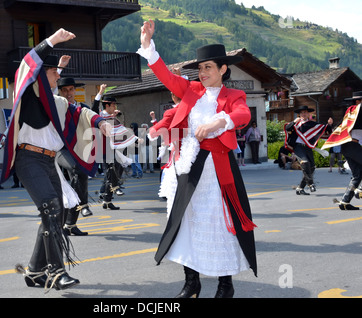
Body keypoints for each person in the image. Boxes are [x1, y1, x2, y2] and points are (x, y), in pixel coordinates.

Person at [139, 19, 257, 298]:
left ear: (223, 69)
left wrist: (219, 122)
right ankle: (191, 282)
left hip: (217, 172)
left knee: (218, 224)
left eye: (208, 68)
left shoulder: (234, 95)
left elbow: (243, 115)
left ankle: (225, 285)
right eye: (200, 68)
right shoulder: (191, 91)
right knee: (185, 222)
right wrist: (148, 46)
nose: (202, 73)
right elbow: (167, 77)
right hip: (188, 168)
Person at [0, 28, 110, 292]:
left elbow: (81, 113)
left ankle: (35, 271)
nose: (58, 76)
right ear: (40, 75)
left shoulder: (57, 102)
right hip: (28, 159)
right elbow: (28, 64)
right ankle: (56, 272)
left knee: (56, 214)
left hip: (49, 162)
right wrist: (51, 41)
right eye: (53, 73)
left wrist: (100, 122)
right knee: (50, 208)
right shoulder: (26, 94)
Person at [56, 78, 104, 236]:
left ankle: (70, 224)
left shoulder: (81, 108)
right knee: (79, 169)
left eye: (71, 89)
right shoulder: (56, 106)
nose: (68, 93)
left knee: (78, 181)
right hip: (60, 150)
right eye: (65, 90)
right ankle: (83, 205)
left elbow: (93, 116)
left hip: (77, 149)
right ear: (60, 91)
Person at [322, 91, 362, 210]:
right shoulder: (354, 110)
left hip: (348, 146)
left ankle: (345, 202)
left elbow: (337, 127)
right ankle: (359, 190)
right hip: (352, 145)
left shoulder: (349, 115)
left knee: (357, 175)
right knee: (357, 174)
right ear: (357, 101)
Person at [98, 96, 136, 210]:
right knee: (111, 173)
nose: (115, 107)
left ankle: (107, 199)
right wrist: (99, 93)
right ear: (107, 105)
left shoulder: (111, 117)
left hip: (115, 149)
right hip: (105, 150)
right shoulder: (100, 117)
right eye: (113, 105)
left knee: (115, 172)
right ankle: (108, 194)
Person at [284, 105, 333, 195]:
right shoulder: (296, 124)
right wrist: (294, 122)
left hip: (307, 147)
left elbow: (324, 128)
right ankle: (311, 184)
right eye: (302, 112)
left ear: (308, 114)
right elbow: (287, 128)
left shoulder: (311, 124)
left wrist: (329, 124)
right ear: (299, 114)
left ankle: (300, 188)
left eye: (306, 112)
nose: (304, 114)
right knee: (304, 162)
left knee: (311, 167)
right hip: (298, 146)